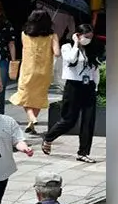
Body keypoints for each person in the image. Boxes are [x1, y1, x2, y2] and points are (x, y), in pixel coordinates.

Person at [42, 24, 100, 163]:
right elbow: (71, 59)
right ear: (78, 35)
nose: (88, 40)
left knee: (88, 120)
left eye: (90, 37)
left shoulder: (90, 49)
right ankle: (49, 137)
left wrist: (96, 86)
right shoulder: (67, 47)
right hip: (74, 86)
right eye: (86, 37)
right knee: (69, 119)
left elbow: (94, 69)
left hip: (88, 86)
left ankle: (83, 152)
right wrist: (75, 43)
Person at [10, 10, 60, 134]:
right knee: (38, 97)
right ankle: (31, 123)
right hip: (44, 72)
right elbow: (57, 53)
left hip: (28, 70)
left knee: (24, 95)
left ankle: (32, 117)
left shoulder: (24, 34)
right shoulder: (52, 36)